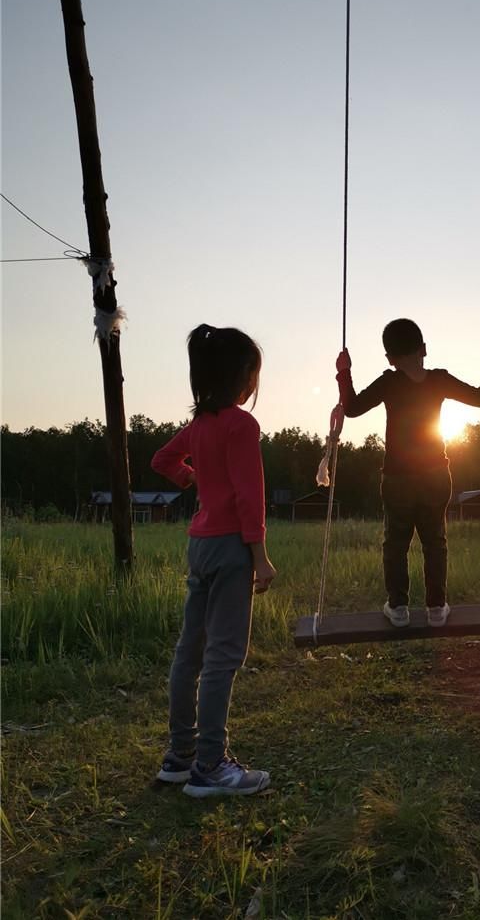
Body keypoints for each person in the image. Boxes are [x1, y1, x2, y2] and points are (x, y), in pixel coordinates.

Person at [151, 324, 276, 796]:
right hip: (229, 548)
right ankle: (209, 766)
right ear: (243, 377)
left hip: (200, 544)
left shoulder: (199, 425)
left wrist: (187, 476)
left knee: (190, 651)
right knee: (224, 656)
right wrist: (260, 557)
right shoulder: (241, 425)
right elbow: (250, 496)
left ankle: (179, 757)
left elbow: (162, 460)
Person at [336, 318, 480, 627]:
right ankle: (436, 608)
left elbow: (351, 408)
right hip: (436, 474)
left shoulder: (388, 382)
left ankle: (398, 608)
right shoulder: (439, 380)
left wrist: (344, 372)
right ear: (424, 349)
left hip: (397, 477)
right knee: (435, 541)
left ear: (390, 359)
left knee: (396, 542)